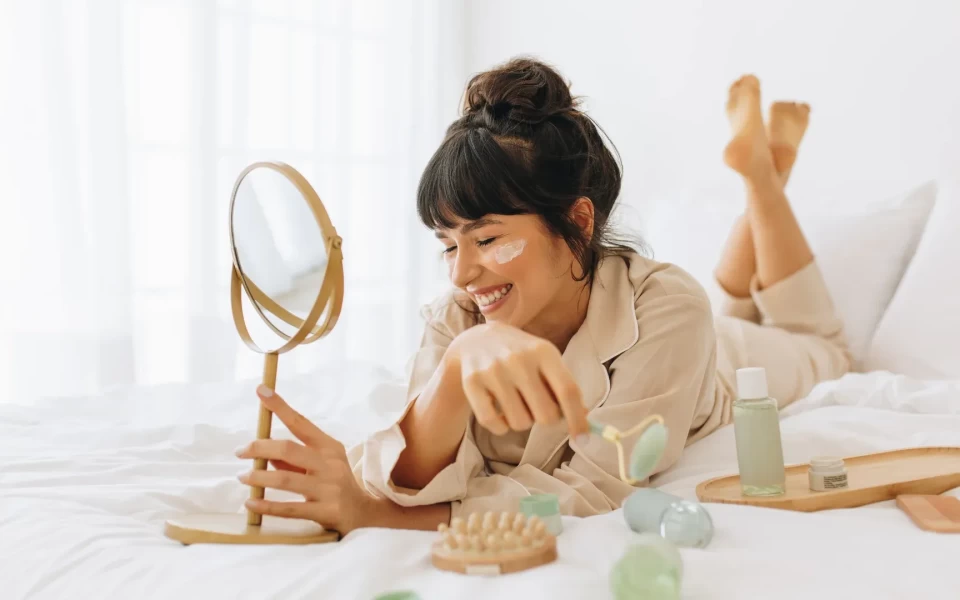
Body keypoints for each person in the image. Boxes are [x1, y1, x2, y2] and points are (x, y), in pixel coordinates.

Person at [234, 58, 851, 534]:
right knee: (731, 299)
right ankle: (762, 174)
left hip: (728, 359)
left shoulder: (669, 307)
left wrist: (375, 518)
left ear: (579, 223)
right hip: (699, 331)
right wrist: (455, 366)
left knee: (819, 341)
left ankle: (766, 180)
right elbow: (408, 473)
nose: (462, 274)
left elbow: (589, 493)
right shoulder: (458, 316)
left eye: (489, 238)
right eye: (450, 245)